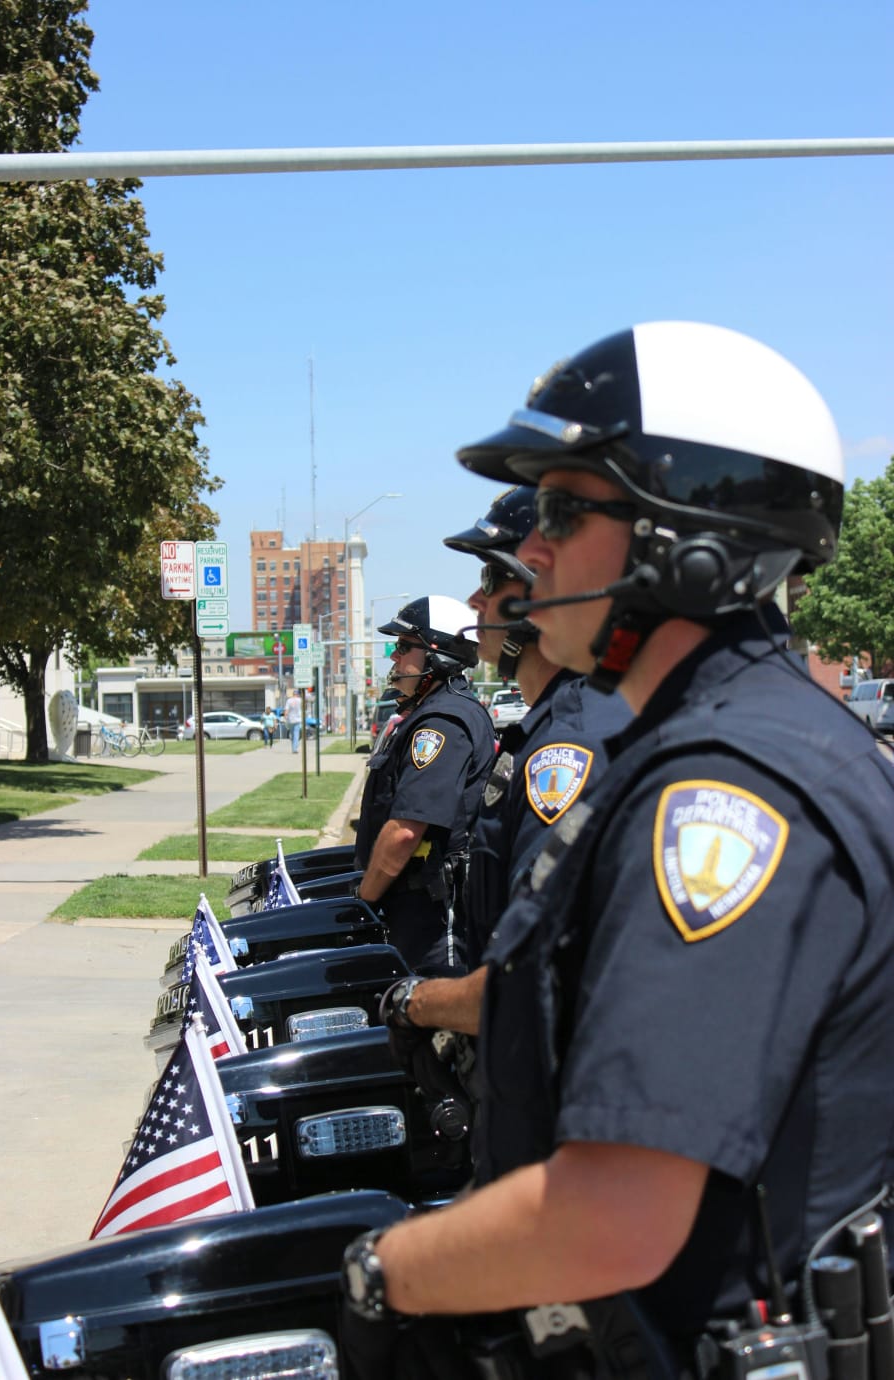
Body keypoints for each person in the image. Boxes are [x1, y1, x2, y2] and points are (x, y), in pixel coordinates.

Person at [341, 322, 894, 1378]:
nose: (529, 551)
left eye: (560, 510)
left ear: (682, 536)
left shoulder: (724, 792)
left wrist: (382, 1268)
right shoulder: (709, 747)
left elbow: (615, 1217)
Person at [382, 486, 630, 1051]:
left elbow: (532, 978)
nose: (476, 600)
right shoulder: (542, 731)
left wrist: (414, 1003)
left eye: (492, 580)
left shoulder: (565, 751)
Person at [353, 594, 495, 976]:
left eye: (403, 647)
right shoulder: (431, 713)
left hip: (434, 916)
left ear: (438, 655)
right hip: (414, 907)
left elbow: (404, 831)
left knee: (433, 1027)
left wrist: (364, 899)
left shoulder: (442, 723)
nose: (394, 658)